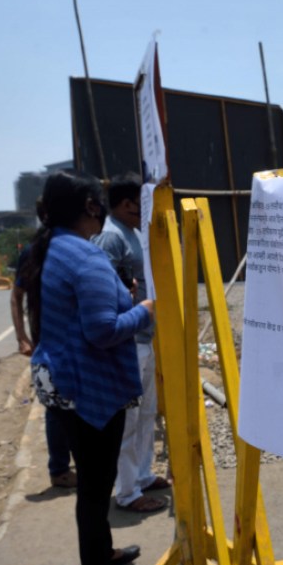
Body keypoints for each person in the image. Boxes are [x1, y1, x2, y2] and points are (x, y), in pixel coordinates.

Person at [27, 172, 155, 565]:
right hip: (92, 387)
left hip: (66, 381)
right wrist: (144, 308)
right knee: (97, 486)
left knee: (93, 484)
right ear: (90, 207)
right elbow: (103, 331)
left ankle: (103, 554)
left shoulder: (54, 249)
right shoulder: (86, 256)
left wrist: (121, 293)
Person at [94, 172, 170, 513]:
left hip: (145, 336)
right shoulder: (110, 238)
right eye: (141, 205)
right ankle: (127, 492)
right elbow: (103, 290)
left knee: (146, 413)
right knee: (128, 418)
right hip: (129, 340)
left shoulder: (132, 231)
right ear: (127, 204)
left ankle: (141, 475)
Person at [12, 240, 77, 489]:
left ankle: (68, 466)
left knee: (72, 406)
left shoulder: (77, 245)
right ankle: (59, 470)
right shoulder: (34, 251)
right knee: (57, 408)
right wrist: (22, 338)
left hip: (75, 341)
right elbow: (17, 296)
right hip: (49, 343)